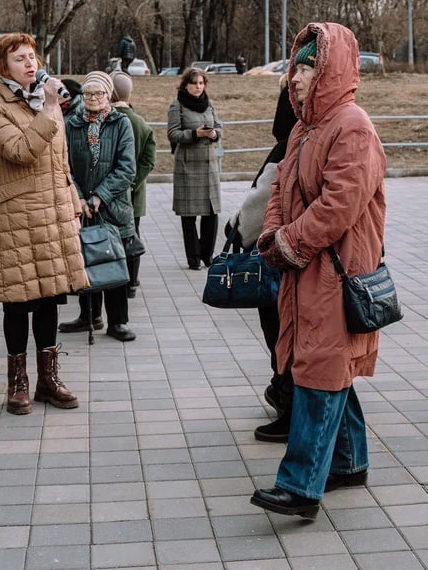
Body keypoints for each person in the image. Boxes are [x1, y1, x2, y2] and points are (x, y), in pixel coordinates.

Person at [249, 23, 387, 521]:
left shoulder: (352, 125)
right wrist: (272, 235)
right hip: (305, 267)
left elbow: (339, 205)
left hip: (336, 269)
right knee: (326, 366)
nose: (296, 77)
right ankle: (349, 463)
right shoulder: (304, 127)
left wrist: (290, 242)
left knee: (319, 371)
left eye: (307, 67)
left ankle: (301, 487)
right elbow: (280, 191)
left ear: (330, 70)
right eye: (295, 66)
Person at [0, 32, 88, 415]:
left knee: (50, 298)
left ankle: (48, 380)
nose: (29, 64)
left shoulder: (42, 99)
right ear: (2, 66)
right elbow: (21, 152)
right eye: (19, 58)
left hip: (53, 214)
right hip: (16, 218)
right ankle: (18, 384)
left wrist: (73, 206)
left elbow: (61, 164)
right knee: (17, 302)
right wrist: (51, 110)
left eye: (31, 57)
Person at [227, 74, 297, 443]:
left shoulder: (289, 146)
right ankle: (284, 393)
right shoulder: (308, 138)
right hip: (297, 257)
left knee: (281, 333)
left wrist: (236, 230)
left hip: (280, 258)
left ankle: (287, 401)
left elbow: (257, 208)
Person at [60, 71, 138, 342]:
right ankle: (88, 315)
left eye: (99, 93)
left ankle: (118, 322)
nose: (93, 98)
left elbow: (127, 168)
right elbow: (64, 165)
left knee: (113, 260)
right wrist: (80, 198)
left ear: (109, 96)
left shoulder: (121, 123)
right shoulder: (71, 124)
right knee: (85, 259)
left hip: (112, 206)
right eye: (88, 93)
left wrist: (99, 196)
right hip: (81, 206)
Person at [167, 67, 222, 269]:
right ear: (186, 85)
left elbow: (218, 126)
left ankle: (207, 256)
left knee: (211, 213)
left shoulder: (209, 104)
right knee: (189, 216)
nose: (198, 87)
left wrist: (214, 134)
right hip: (188, 167)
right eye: (194, 83)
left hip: (209, 167)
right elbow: (173, 134)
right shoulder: (177, 106)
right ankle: (193, 258)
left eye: (201, 83)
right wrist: (194, 134)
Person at [110, 72, 155, 299]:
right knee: (132, 236)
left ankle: (112, 278)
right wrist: (135, 183)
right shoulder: (141, 123)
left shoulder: (107, 119)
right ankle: (132, 281)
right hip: (135, 193)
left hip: (107, 193)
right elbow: (149, 159)